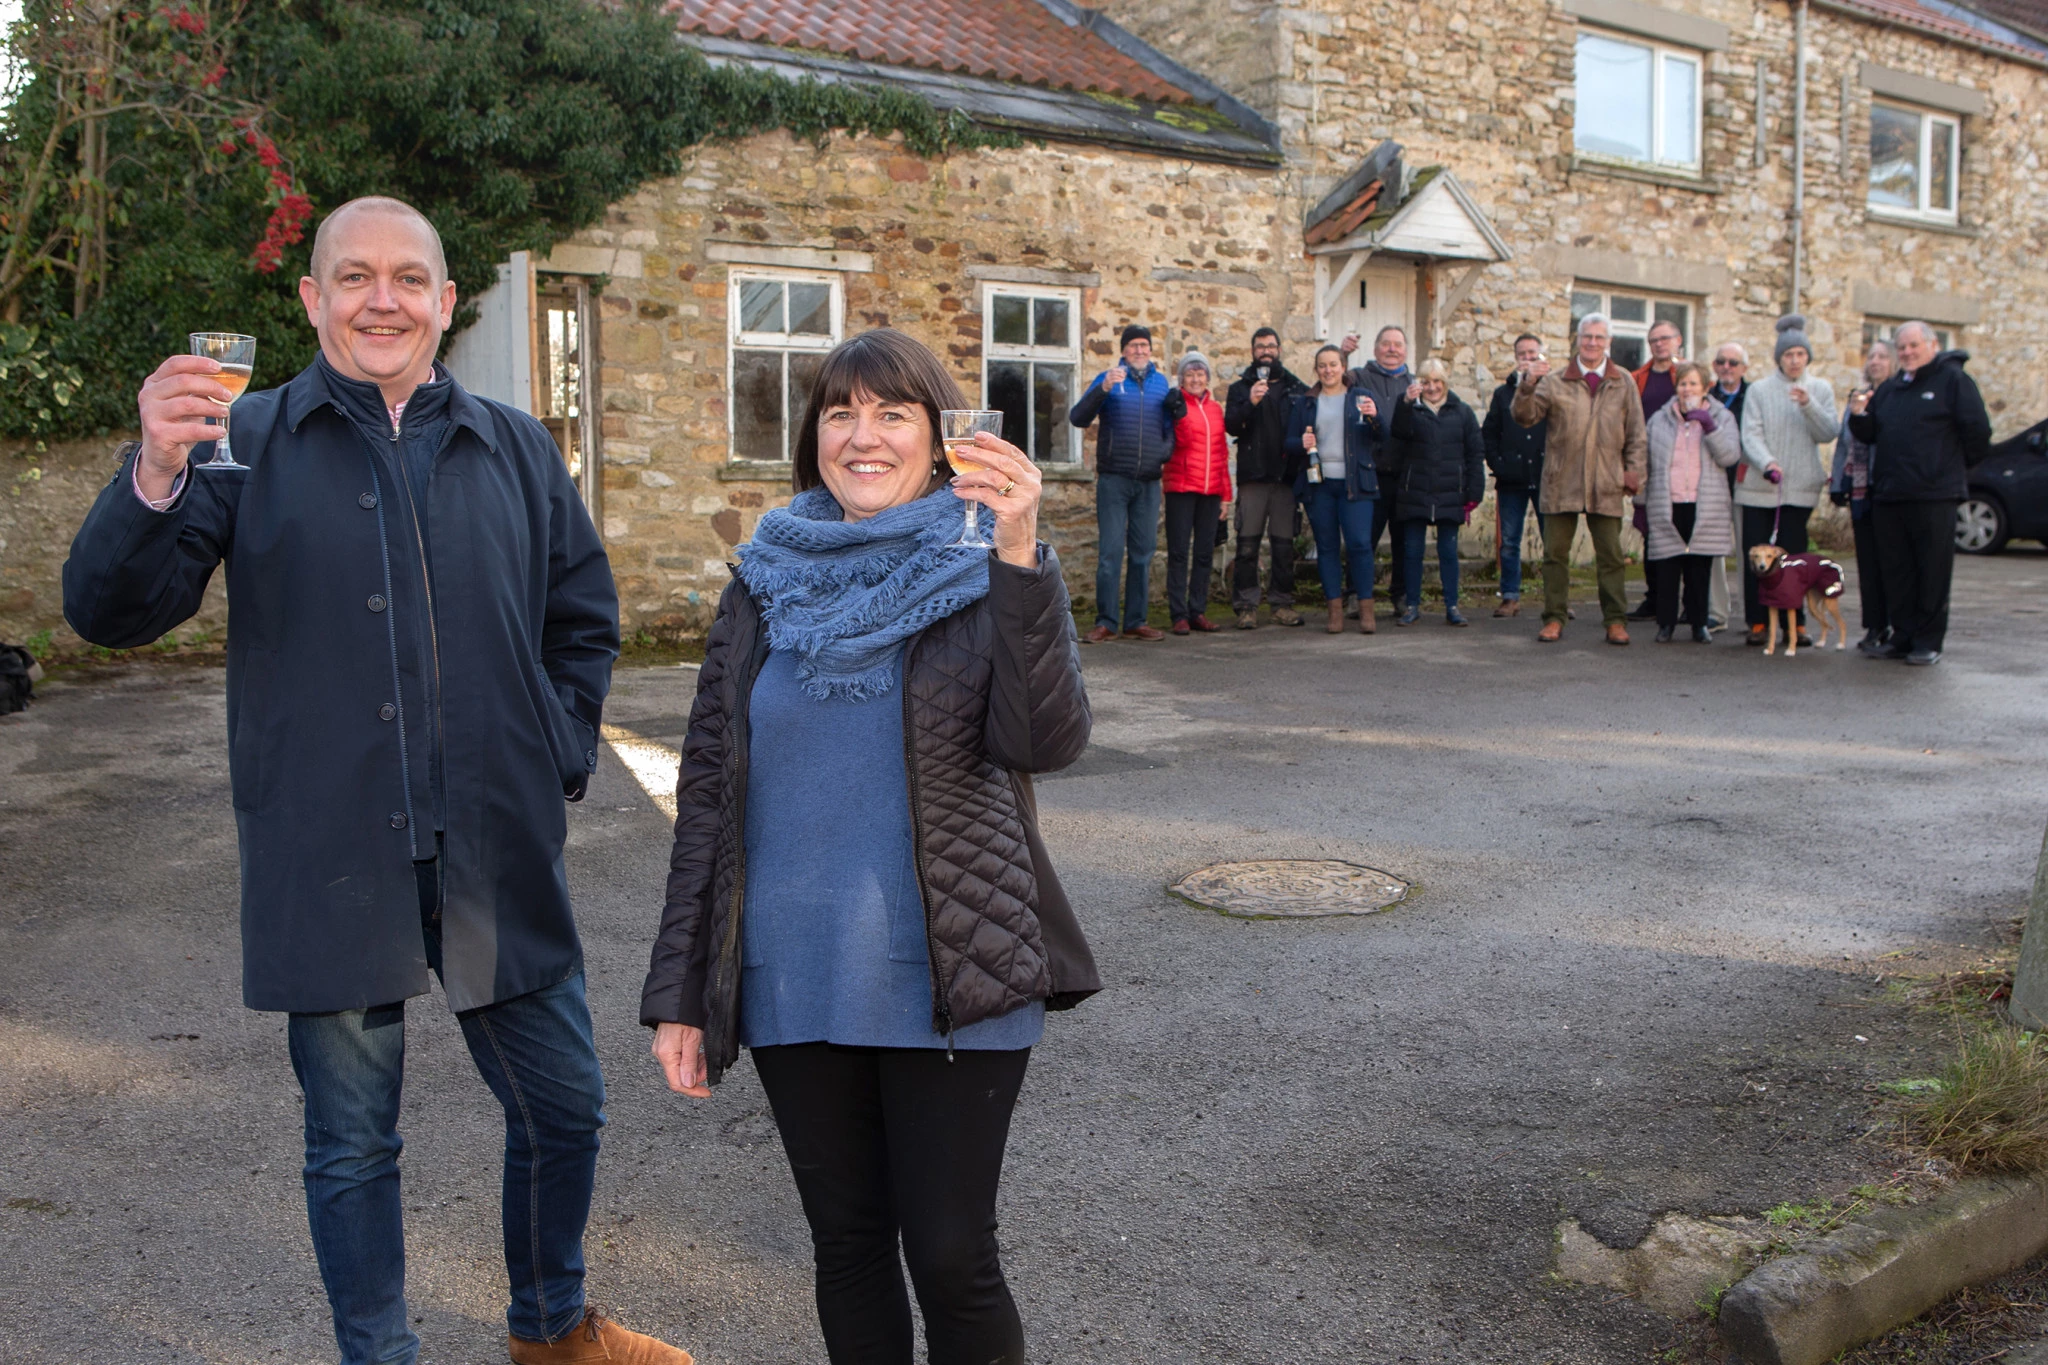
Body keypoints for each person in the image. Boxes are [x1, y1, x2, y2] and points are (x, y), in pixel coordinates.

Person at [62, 198, 688, 1365]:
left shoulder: (513, 447)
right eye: (354, 277)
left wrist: (554, 748)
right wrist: (152, 466)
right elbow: (110, 613)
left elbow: (581, 616)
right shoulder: (234, 443)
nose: (382, 298)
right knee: (353, 1143)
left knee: (564, 1109)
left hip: (495, 849)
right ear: (311, 299)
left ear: (447, 303)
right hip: (331, 849)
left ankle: (551, 1330)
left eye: (410, 278)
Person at [643, 328, 1099, 1365]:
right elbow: (707, 792)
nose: (862, 435)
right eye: (840, 411)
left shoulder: (988, 562)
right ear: (813, 436)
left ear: (939, 439)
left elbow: (1046, 738)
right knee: (846, 1247)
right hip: (793, 974)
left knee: (948, 1254)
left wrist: (1022, 554)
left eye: (892, 413)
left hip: (951, 964)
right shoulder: (760, 582)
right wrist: (680, 989)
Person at [1847, 320, 1993, 665]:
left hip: (1934, 496)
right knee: (1897, 571)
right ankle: (1903, 635)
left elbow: (1978, 432)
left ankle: (1928, 640)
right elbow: (1871, 434)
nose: (1908, 353)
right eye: (1903, 348)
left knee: (1932, 570)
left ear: (1932, 345)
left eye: (1914, 346)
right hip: (1891, 494)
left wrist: (1949, 470)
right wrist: (1857, 417)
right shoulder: (1893, 387)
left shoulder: (1954, 381)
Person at [1511, 312, 1647, 645]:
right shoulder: (1555, 379)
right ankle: (1554, 617)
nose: (1592, 343)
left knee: (1612, 556)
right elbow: (1525, 417)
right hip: (1563, 480)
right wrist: (1527, 385)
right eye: (1587, 336)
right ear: (1577, 339)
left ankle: (1615, 620)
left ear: (1609, 342)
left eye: (1599, 337)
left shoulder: (1623, 381)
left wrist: (1632, 472)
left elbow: (1636, 433)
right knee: (1555, 554)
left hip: (1606, 482)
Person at [1068, 323, 1185, 642]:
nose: (1139, 350)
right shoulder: (1109, 379)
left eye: (1144, 346)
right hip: (1114, 480)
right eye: (1132, 346)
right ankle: (1106, 621)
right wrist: (1102, 388)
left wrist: (1163, 452)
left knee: (1143, 552)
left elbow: (1169, 428)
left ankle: (1136, 620)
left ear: (1150, 351)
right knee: (1109, 552)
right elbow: (1077, 418)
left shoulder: (1161, 384)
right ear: (1123, 351)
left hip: (1148, 482)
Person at [1735, 315, 1837, 646]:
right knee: (1758, 559)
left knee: (1794, 562)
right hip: (1760, 488)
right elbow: (1750, 433)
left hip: (1800, 490)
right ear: (1779, 358)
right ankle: (1759, 622)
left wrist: (1809, 406)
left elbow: (1828, 432)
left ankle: (1798, 622)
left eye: (1800, 355)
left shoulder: (1820, 389)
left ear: (1808, 357)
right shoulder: (1761, 390)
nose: (1794, 360)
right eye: (1788, 354)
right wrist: (1767, 463)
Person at [1283, 344, 1382, 633]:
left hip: (1356, 483)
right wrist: (1300, 443)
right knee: (1326, 548)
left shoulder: (1361, 397)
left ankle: (1366, 610)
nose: (1328, 370)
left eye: (1333, 365)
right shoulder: (1306, 403)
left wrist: (1375, 417)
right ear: (1316, 370)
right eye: (1322, 366)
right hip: (1319, 485)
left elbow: (1382, 435)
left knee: (1360, 545)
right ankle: (1334, 612)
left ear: (1343, 367)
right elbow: (1288, 442)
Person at [1642, 360, 1742, 642]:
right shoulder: (1660, 419)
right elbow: (1647, 460)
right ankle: (1666, 624)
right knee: (1667, 567)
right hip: (1668, 500)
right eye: (1683, 384)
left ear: (1706, 387)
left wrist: (1708, 425)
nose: (1687, 390)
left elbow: (1729, 457)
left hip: (1704, 501)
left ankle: (1699, 623)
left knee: (1699, 568)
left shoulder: (1722, 417)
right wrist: (1641, 497)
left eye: (1693, 384)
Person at [1222, 327, 1308, 629]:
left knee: (1284, 546)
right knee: (1247, 546)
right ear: (1252, 351)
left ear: (1279, 350)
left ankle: (1281, 603)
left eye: (1271, 346)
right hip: (1253, 478)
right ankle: (1246, 606)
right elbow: (1231, 425)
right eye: (1261, 347)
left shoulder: (1295, 387)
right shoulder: (1240, 388)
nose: (1266, 351)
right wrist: (1251, 402)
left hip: (1285, 479)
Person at [1389, 358, 1485, 626]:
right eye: (1426, 382)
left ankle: (1452, 606)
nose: (1432, 388)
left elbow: (1475, 454)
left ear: (1445, 383)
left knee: (1448, 552)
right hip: (1415, 491)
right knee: (1412, 552)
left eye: (1437, 382)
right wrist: (1406, 404)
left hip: (1450, 493)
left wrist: (1474, 493)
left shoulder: (1462, 413)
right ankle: (1411, 605)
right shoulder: (1411, 409)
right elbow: (1398, 433)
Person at [1340, 324, 1415, 615]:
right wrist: (1343, 354)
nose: (1392, 349)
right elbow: (1333, 379)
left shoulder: (1413, 382)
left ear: (1406, 350)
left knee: (1403, 542)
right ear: (1375, 349)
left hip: (1404, 474)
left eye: (1398, 344)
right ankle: (1356, 595)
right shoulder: (1359, 377)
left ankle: (1401, 596)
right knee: (1363, 540)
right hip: (1369, 473)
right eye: (1386, 344)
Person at [1829, 340, 1896, 655]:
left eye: (1883, 356)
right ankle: (1874, 625)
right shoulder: (1858, 397)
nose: (1876, 362)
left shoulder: (1897, 397)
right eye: (1872, 357)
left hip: (1889, 489)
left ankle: (1898, 624)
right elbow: (1844, 442)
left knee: (1892, 562)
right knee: (1868, 563)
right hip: (1860, 489)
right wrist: (1838, 480)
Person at [1162, 351, 1232, 634]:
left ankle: (1198, 611)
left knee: (1204, 553)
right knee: (1179, 552)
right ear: (1181, 379)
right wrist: (1175, 415)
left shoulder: (1215, 409)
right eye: (1189, 375)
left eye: (1200, 374)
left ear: (1207, 378)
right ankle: (1179, 614)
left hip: (1211, 490)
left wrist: (1226, 495)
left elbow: (1222, 453)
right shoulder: (1175, 405)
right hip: (1181, 487)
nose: (1195, 379)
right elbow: (1174, 443)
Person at [1481, 334, 1548, 617]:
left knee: (1554, 542)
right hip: (1512, 478)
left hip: (1547, 477)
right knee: (1509, 541)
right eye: (1522, 354)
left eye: (1532, 354)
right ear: (1516, 357)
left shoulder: (1554, 389)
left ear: (1541, 357)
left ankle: (1558, 600)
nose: (1527, 359)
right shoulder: (1502, 393)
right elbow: (1488, 434)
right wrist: (1499, 464)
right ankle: (1510, 596)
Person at [1628, 319, 1686, 618]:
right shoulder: (1639, 378)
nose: (1659, 344)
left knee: (1684, 530)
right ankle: (1654, 599)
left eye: (1665, 338)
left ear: (1678, 340)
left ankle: (1689, 603)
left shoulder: (1689, 375)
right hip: (1649, 465)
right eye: (1654, 340)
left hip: (1684, 465)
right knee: (1651, 534)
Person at [1703, 342, 1756, 629]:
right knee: (1712, 550)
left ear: (1743, 368)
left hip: (1746, 481)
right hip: (1714, 482)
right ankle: (1717, 612)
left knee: (1749, 549)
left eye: (1733, 363)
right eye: (1721, 361)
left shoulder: (1754, 396)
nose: (1727, 367)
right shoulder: (1707, 397)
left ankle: (1754, 614)